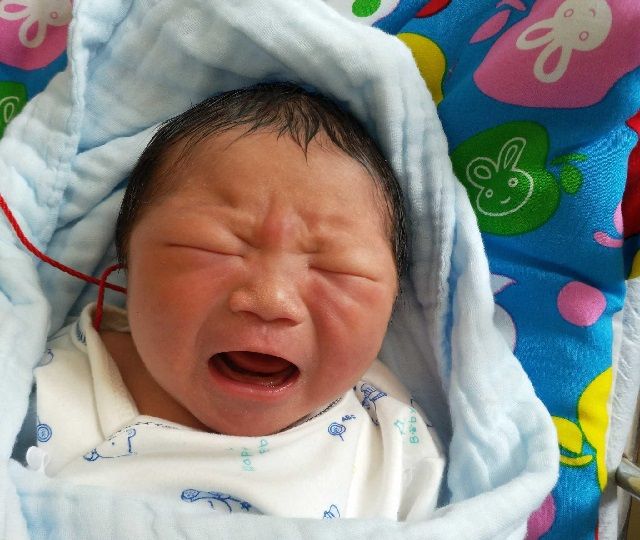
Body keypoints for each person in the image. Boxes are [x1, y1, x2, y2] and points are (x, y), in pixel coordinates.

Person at [32, 83, 444, 520]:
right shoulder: (36, 388)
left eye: (337, 268)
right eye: (212, 247)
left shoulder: (392, 441)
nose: (271, 299)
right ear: (126, 264)